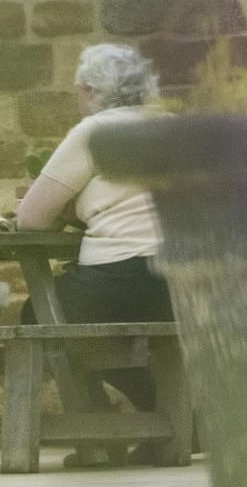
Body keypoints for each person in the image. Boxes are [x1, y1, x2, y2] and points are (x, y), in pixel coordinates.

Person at [15, 43, 171, 326]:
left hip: (121, 280)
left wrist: (64, 211)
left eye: (78, 90)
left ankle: (109, 373)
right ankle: (133, 372)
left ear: (91, 91)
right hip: (184, 287)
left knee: (37, 313)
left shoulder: (95, 131)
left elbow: (29, 220)